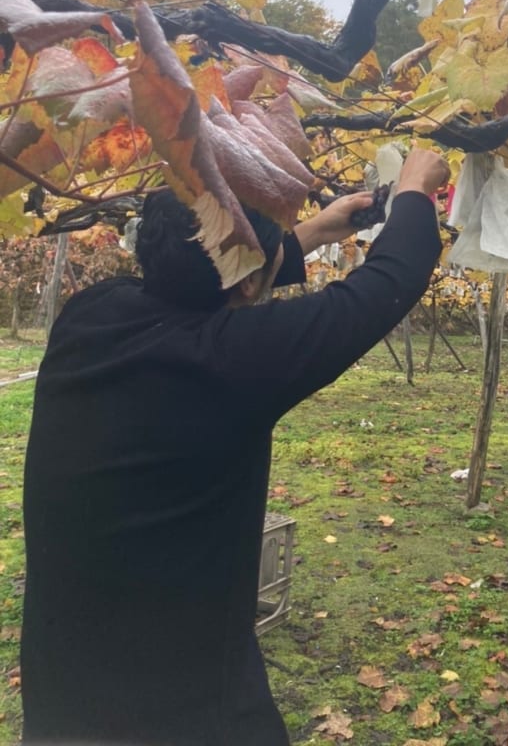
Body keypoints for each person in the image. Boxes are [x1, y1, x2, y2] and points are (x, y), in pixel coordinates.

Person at [21, 147, 450, 746]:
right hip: (187, 712)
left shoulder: (91, 315)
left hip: (64, 696)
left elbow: (215, 282)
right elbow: (384, 284)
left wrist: (313, 231)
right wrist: (413, 191)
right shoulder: (228, 360)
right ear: (250, 281)